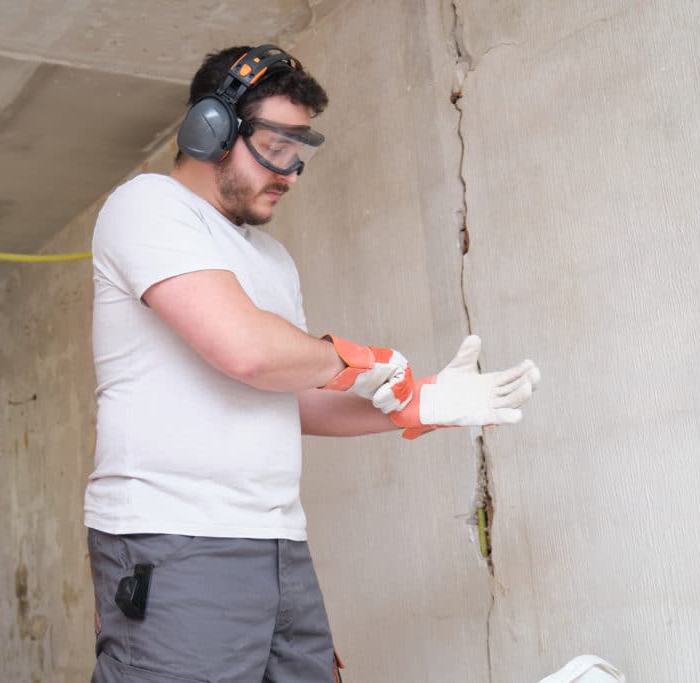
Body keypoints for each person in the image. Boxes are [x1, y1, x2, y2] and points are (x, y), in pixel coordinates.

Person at [84, 44, 540, 683]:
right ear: (209, 129)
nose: (291, 171)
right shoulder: (148, 207)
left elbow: (290, 392)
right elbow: (245, 350)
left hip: (277, 546)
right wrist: (361, 359)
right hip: (174, 540)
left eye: (301, 151)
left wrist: (424, 403)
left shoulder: (271, 261)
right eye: (275, 145)